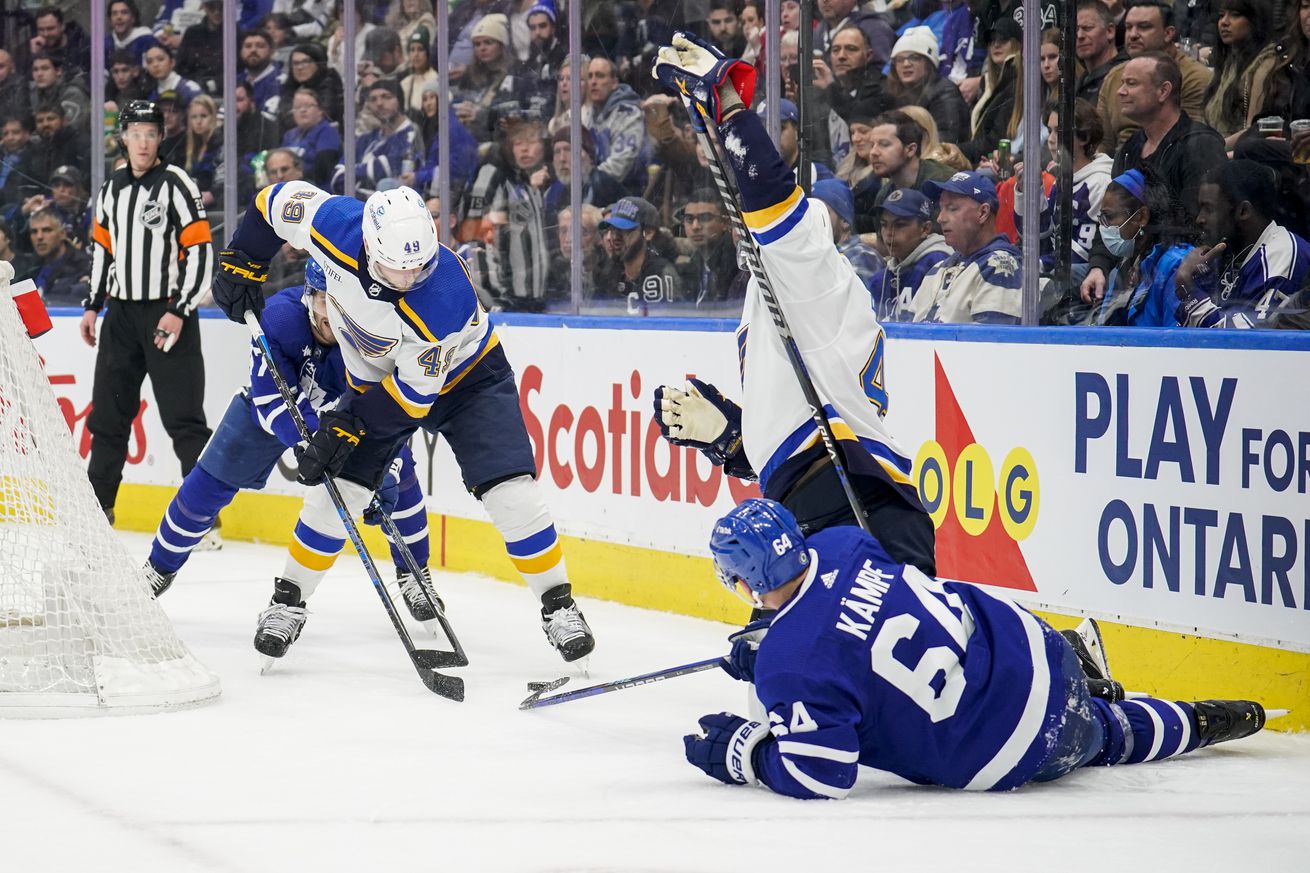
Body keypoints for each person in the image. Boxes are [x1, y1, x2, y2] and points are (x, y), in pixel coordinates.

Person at [207, 180, 596, 664]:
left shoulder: (444, 295)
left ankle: (558, 605)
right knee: (340, 491)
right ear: (369, 247)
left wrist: (349, 424)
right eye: (399, 266)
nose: (412, 276)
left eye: (421, 264)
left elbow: (412, 399)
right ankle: (287, 600)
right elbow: (270, 201)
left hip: (468, 380)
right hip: (376, 383)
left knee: (510, 489)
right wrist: (246, 257)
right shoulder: (334, 224)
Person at [683, 498, 1272, 799]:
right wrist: (777, 651)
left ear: (744, 578)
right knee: (1089, 717)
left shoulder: (793, 666)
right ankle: (1181, 713)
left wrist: (746, 753)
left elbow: (821, 773)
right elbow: (849, 628)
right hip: (1038, 650)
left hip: (1010, 743)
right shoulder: (843, 543)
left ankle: (1187, 723)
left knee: (1100, 738)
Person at [649, 32, 935, 573]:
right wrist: (730, 437)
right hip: (830, 500)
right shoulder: (783, 291)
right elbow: (801, 421)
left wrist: (728, 104)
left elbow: (771, 195)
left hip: (856, 509)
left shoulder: (817, 275)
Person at [143, 261, 437, 630]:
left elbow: (392, 414)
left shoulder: (377, 334)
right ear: (309, 296)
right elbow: (270, 398)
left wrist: (385, 466)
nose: (331, 318)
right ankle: (158, 567)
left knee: (401, 475)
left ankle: (414, 572)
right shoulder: (280, 319)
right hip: (279, 413)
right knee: (208, 481)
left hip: (348, 419)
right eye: (323, 305)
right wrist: (310, 439)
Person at [81, 101, 214, 524]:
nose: (142, 141)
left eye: (151, 133)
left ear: (160, 138)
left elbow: (200, 251)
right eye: (135, 133)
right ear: (123, 138)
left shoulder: (177, 184)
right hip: (120, 316)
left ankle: (202, 516)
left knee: (184, 419)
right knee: (107, 417)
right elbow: (104, 251)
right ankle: (98, 511)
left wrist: (180, 309)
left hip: (167, 314)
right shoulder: (111, 188)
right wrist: (93, 305)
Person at [1081, 51, 1227, 303]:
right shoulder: (1128, 150)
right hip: (1134, 276)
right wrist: (1098, 267)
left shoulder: (1199, 146)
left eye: (1132, 83)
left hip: (1182, 284)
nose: (1120, 91)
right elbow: (1112, 217)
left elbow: (1207, 227)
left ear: (1163, 91)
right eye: (1122, 83)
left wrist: (1154, 260)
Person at [1174, 159, 1310, 327]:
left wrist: (1187, 288)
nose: (1199, 219)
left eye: (1208, 209)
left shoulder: (1281, 254)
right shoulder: (1230, 252)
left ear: (1243, 211)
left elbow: (1239, 342)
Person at [906, 171, 1024, 324]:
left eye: (952, 208)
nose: (940, 218)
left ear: (983, 212)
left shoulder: (999, 266)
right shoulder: (937, 269)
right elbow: (906, 332)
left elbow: (990, 342)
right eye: (941, 208)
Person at [1099, 0, 1213, 149]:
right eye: (1128, 27)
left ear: (1168, 33)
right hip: (1116, 164)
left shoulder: (1195, 77)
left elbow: (1189, 141)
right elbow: (1101, 142)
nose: (1133, 35)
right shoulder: (1114, 76)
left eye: (1144, 27)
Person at [1086, 169, 1190, 326]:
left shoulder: (1176, 265)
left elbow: (1176, 341)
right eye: (1102, 218)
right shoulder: (1126, 265)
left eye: (1109, 217)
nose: (1104, 226)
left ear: (1141, 217)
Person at [868, 189, 952, 321]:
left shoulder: (937, 264)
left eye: (900, 225)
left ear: (925, 229)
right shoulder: (881, 279)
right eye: (884, 225)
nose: (889, 232)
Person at [1202, 0, 1279, 145]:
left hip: (1239, 155)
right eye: (1221, 15)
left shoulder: (1266, 61)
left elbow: (1254, 130)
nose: (1224, 22)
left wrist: (1213, 149)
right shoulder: (1228, 58)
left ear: (1254, 20)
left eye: (1235, 15)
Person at [330, 78, 421, 194]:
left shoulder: (410, 134)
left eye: (386, 97)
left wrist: (351, 172)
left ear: (399, 100)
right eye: (373, 99)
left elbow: (387, 170)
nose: (379, 103)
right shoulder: (366, 139)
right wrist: (369, 170)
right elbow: (336, 178)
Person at [593, 195, 684, 309]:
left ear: (649, 233)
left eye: (624, 229)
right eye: (612, 228)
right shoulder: (609, 273)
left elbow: (668, 324)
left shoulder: (660, 275)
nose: (614, 237)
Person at [886, 26, 969, 146]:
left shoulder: (945, 92)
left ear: (929, 62)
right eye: (900, 59)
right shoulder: (895, 94)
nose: (906, 64)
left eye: (914, 58)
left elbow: (945, 142)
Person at [583, 56, 649, 195]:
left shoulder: (628, 113)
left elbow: (619, 166)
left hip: (627, 192)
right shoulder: (589, 116)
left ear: (614, 83)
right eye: (590, 77)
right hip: (596, 189)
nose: (593, 82)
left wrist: (585, 183)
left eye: (600, 76)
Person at [867, 110, 955, 213]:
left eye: (884, 144)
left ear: (910, 150)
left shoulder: (942, 184)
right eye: (872, 145)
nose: (873, 152)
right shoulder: (884, 195)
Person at [810, 177, 884, 293]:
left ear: (845, 221)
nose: (813, 217)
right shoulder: (814, 253)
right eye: (809, 211)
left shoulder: (863, 256)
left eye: (823, 211)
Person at [675, 188, 742, 306]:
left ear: (725, 223)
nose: (695, 226)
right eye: (689, 219)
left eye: (704, 218)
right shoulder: (696, 262)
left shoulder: (738, 264)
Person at [27, 207, 90, 305]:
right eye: (34, 232)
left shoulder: (83, 265)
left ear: (62, 234)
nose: (39, 237)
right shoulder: (29, 266)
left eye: (47, 230)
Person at [281, 88, 342, 188]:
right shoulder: (289, 136)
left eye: (308, 106)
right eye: (297, 107)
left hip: (317, 190)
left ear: (320, 110)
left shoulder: (327, 132)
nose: (302, 110)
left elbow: (323, 169)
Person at [1074, 0, 1130, 105]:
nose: (1080, 35)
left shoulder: (1125, 76)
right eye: (1075, 30)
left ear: (1110, 31)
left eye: (1087, 28)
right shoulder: (1079, 81)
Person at [239, 28, 283, 119]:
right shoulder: (235, 81)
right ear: (241, 52)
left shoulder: (280, 81)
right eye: (248, 46)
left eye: (260, 46)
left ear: (272, 51)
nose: (253, 50)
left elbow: (267, 124)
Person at [143, 45, 202, 110]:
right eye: (149, 62)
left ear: (172, 62)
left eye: (160, 59)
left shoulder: (190, 89)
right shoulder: (152, 96)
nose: (155, 65)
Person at [106, 0, 158, 65]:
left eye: (124, 12)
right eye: (114, 13)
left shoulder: (147, 41)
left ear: (133, 18)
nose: (119, 17)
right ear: (110, 19)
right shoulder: (106, 43)